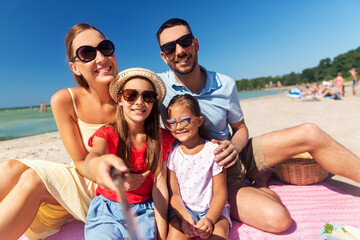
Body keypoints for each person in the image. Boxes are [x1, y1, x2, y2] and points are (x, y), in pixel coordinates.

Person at [156, 18, 360, 233]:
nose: (179, 51)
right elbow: (125, 95)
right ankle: (259, 183)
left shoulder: (225, 84)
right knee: (278, 220)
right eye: (170, 48)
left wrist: (233, 147)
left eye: (185, 41)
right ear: (164, 56)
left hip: (237, 154)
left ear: (195, 43)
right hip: (212, 179)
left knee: (311, 133)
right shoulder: (157, 87)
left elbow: (241, 128)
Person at [0, 23, 122, 239]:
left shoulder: (134, 96)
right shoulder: (65, 100)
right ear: (75, 67)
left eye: (105, 47)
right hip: (87, 172)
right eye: (87, 53)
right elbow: (81, 162)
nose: (101, 58)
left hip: (111, 187)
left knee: (32, 180)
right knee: (10, 167)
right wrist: (99, 171)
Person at [84, 68, 174, 240]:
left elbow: (160, 189)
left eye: (147, 96)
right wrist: (102, 167)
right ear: (119, 99)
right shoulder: (107, 133)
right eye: (131, 95)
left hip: (144, 209)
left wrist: (162, 236)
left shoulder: (161, 139)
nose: (139, 101)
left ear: (153, 103)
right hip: (107, 209)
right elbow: (94, 157)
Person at [165, 94, 230, 239]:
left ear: (199, 121)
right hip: (184, 211)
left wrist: (210, 219)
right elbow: (174, 194)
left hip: (213, 211)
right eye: (172, 122)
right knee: (174, 232)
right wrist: (184, 217)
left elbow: (220, 192)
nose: (179, 127)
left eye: (184, 120)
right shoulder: (173, 156)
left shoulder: (214, 151)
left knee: (220, 231)